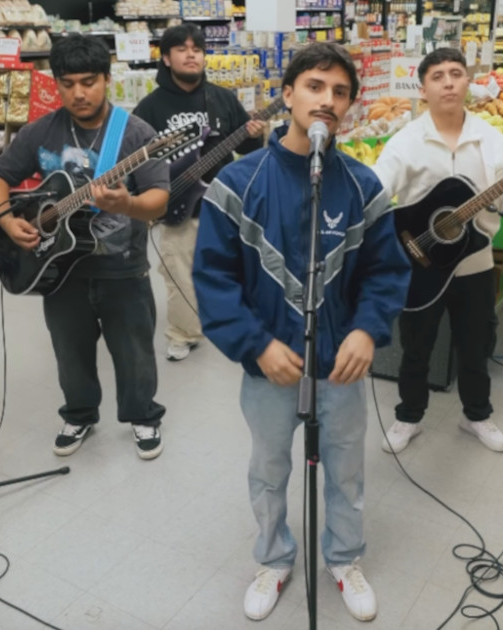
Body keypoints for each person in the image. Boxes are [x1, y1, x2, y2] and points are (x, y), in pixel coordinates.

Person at [193, 42, 411, 622]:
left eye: (341, 92)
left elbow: (387, 271)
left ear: (350, 108)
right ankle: (273, 558)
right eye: (315, 86)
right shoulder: (237, 183)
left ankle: (343, 557)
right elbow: (213, 279)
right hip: (269, 366)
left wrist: (367, 330)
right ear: (287, 95)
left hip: (341, 364)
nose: (328, 100)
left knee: (346, 466)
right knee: (268, 468)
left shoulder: (365, 186)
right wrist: (256, 344)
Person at [0, 33, 169, 459]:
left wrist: (128, 203)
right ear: (56, 82)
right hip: (58, 268)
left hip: (122, 266)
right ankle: (80, 414)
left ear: (107, 79)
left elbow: (158, 199)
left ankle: (143, 415)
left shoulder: (137, 132)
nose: (79, 93)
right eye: (68, 83)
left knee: (134, 350)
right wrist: (9, 222)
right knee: (69, 351)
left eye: (89, 81)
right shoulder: (41, 131)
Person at [373, 47, 503, 455]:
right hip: (421, 262)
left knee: (476, 344)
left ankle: (477, 415)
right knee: (416, 347)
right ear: (423, 88)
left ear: (469, 81)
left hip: (475, 262)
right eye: (438, 76)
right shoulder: (406, 142)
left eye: (456, 73)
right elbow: (376, 194)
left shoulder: (492, 140)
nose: (448, 82)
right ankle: (408, 417)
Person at [133, 23, 266, 362]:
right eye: (182, 49)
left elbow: (247, 147)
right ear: (166, 58)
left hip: (222, 204)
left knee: (230, 268)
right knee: (179, 272)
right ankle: (182, 333)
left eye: (197, 49)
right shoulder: (149, 108)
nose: (191, 54)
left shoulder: (221, 98)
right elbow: (135, 160)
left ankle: (233, 322)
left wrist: (255, 132)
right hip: (177, 205)